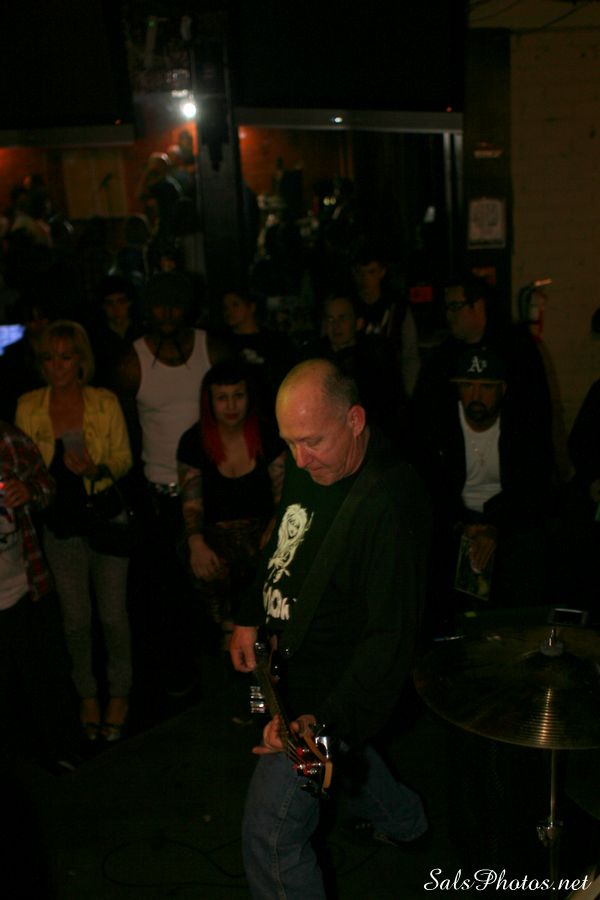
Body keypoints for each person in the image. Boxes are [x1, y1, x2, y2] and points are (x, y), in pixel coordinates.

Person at [230, 358, 431, 899]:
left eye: (312, 441)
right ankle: (407, 821)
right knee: (354, 758)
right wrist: (250, 613)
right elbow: (282, 542)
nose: (300, 459)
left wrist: (325, 723)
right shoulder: (314, 462)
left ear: (355, 420)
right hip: (290, 670)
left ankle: (397, 810)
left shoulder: (391, 501)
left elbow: (389, 640)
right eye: (289, 443)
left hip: (325, 697)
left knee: (271, 837)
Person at [15, 320, 133, 743]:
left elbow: (123, 457)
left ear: (81, 360)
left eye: (66, 357)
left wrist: (96, 469)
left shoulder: (104, 401)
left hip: (104, 518)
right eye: (49, 358)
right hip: (60, 523)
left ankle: (119, 693)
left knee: (113, 616)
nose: (57, 366)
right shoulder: (29, 405)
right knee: (76, 620)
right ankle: (87, 695)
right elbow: (22, 463)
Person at [116, 271, 230, 695]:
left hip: (214, 487)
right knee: (168, 592)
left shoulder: (211, 348)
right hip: (160, 494)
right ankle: (183, 676)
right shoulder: (132, 361)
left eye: (174, 305)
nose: (166, 314)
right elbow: (125, 429)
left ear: (187, 308)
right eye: (158, 306)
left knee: (220, 583)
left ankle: (230, 673)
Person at [411, 345, 554, 633]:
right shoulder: (437, 425)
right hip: (454, 518)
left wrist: (494, 526)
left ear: (502, 389)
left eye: (486, 387)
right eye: (468, 386)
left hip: (506, 517)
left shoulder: (522, 426)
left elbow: (534, 488)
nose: (476, 396)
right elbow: (427, 487)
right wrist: (460, 525)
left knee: (529, 552)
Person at [177, 361, 286, 647]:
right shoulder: (193, 441)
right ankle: (227, 638)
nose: (231, 405)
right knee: (207, 565)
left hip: (260, 531)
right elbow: (191, 506)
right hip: (215, 535)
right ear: (210, 402)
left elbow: (284, 496)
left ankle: (269, 640)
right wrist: (196, 542)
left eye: (238, 395)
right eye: (222, 398)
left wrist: (276, 526)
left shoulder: (267, 435)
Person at [0, 419, 81, 771]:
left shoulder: (6, 439)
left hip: (23, 586)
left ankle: (61, 751)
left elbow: (47, 485)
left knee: (45, 675)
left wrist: (29, 491)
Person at [301, 292, 406, 447]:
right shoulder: (312, 360)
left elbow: (390, 407)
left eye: (342, 318)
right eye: (330, 319)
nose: (336, 325)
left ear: (358, 323)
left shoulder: (376, 359)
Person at [352, 240, 420, 397]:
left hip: (390, 389)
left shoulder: (397, 309)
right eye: (361, 272)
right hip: (356, 388)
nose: (365, 278)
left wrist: (408, 393)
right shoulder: (347, 307)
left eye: (371, 272)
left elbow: (410, 354)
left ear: (382, 272)